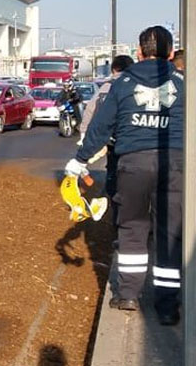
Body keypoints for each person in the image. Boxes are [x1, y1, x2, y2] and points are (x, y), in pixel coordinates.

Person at [65, 26, 184, 325]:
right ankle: (167, 307)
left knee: (132, 229)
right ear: (171, 53)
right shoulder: (183, 84)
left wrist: (80, 160)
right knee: (170, 235)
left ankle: (129, 294)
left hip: (132, 164)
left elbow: (101, 128)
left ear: (139, 52)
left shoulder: (123, 83)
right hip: (175, 164)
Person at [79, 55, 134, 219]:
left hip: (112, 142)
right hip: (134, 144)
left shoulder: (106, 88)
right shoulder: (136, 86)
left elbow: (90, 110)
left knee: (113, 175)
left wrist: (84, 135)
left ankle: (116, 215)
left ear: (113, 69)